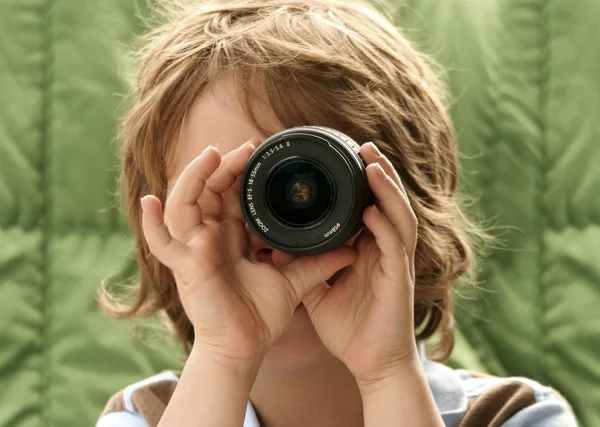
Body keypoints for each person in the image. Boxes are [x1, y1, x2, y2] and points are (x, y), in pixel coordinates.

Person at [95, 0, 578, 426]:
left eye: (311, 186)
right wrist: (224, 354)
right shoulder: (145, 417)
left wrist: (388, 373)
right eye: (227, 193)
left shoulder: (518, 416)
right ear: (163, 232)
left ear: (410, 212)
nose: (273, 237)